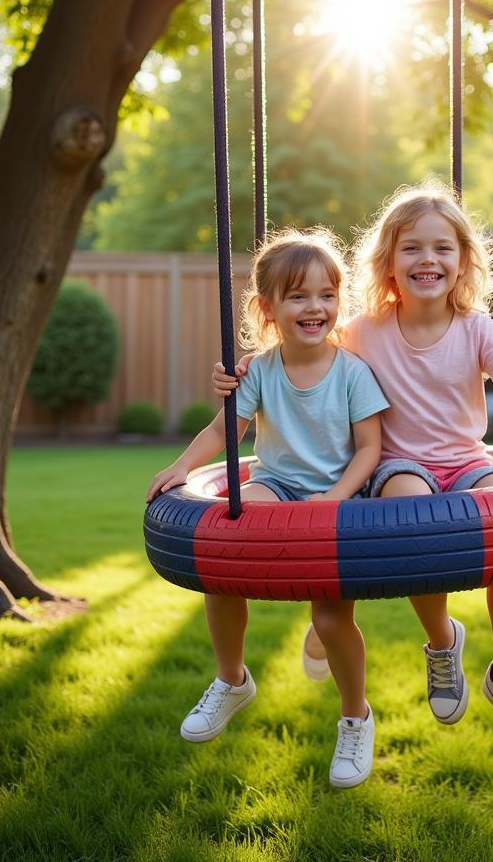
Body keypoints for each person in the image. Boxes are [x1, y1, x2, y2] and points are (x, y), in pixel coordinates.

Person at [214, 181, 493, 753]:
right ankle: (443, 643)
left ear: (464, 260)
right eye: (412, 247)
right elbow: (304, 344)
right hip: (397, 464)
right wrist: (252, 362)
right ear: (389, 261)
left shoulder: (477, 328)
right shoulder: (364, 328)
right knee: (413, 513)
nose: (428, 259)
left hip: (469, 460)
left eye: (443, 248)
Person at [148, 228, 388, 789]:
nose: (315, 307)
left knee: (331, 618)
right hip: (277, 484)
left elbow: (371, 448)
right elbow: (225, 428)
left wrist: (335, 497)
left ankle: (356, 715)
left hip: (337, 495)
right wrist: (182, 466)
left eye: (327, 294)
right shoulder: (258, 370)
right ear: (268, 308)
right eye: (299, 296)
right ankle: (233, 679)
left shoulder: (352, 372)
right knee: (226, 548)